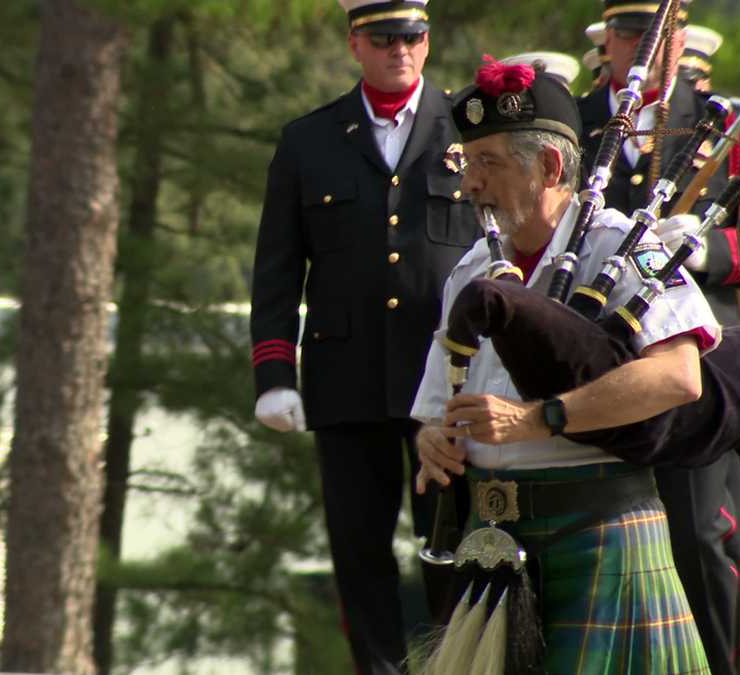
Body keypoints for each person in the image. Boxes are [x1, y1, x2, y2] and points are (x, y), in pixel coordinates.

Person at [411, 63, 719, 673]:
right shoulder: (470, 270)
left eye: (490, 164)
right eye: (467, 165)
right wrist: (430, 441)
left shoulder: (623, 246)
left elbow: (678, 376)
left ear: (551, 168)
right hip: (490, 545)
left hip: (599, 530)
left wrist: (542, 418)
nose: (471, 184)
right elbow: (431, 410)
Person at [249, 1, 479, 672]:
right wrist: (273, 376)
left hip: (447, 382)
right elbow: (276, 272)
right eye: (383, 38)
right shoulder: (308, 141)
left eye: (411, 37)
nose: (399, 50)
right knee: (359, 552)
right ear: (356, 43)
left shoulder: (468, 130)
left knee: (450, 545)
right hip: (346, 380)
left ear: (428, 41)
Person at [576, 3, 740, 673]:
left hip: (693, 367)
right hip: (593, 360)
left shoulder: (730, 128)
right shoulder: (578, 121)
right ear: (607, 43)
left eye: (659, 32)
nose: (646, 46)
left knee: (702, 540)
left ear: (679, 40)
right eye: (630, 32)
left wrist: (704, 249)